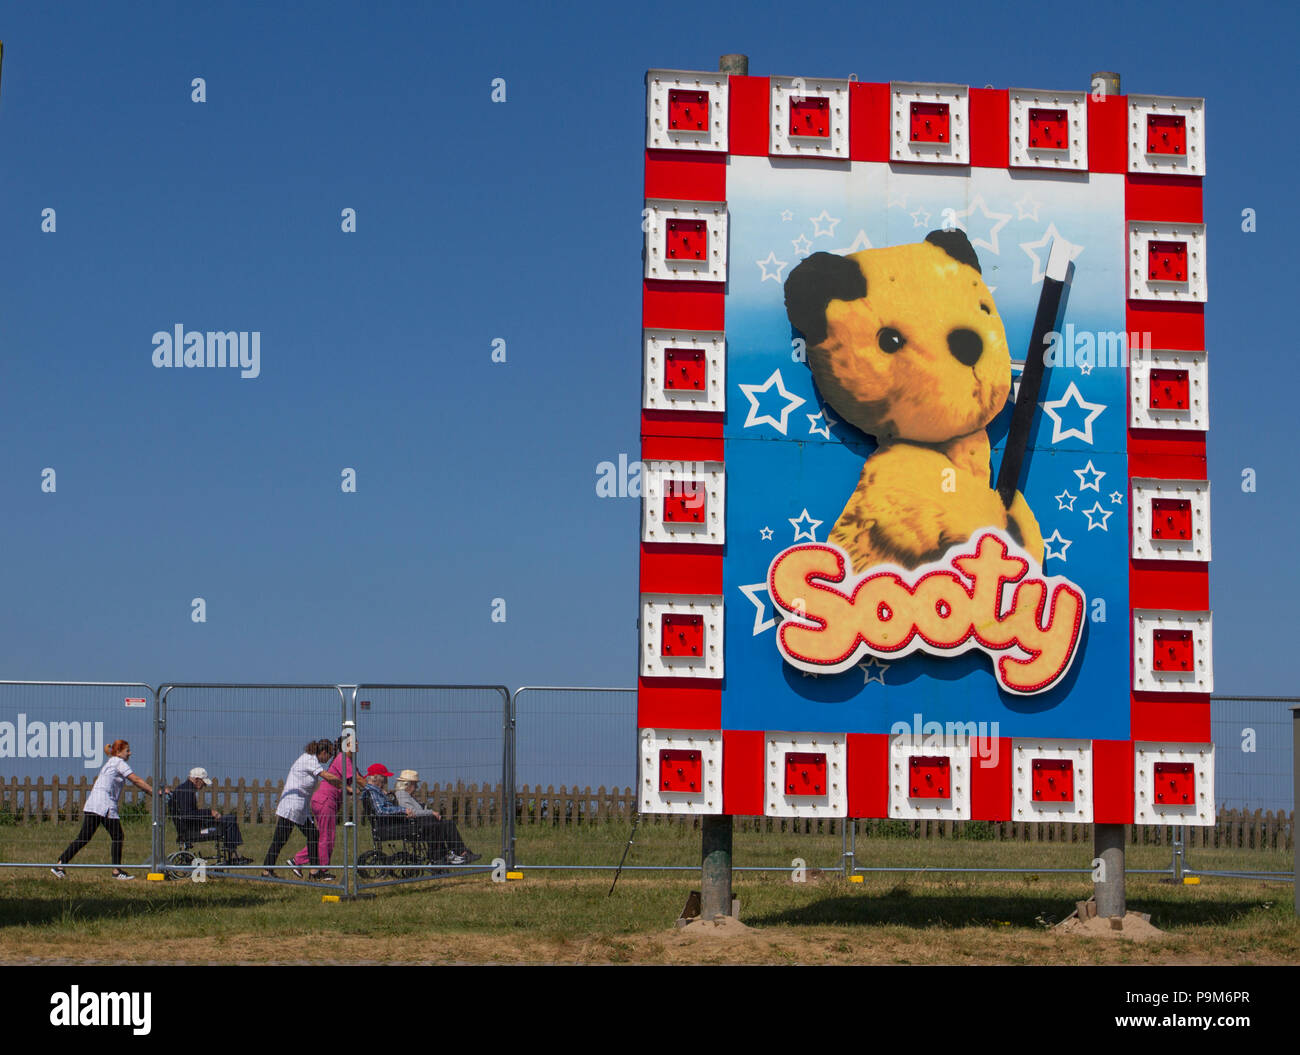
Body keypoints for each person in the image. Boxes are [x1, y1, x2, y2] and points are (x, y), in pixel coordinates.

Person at [52, 739, 154, 880]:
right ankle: (116, 871)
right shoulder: (119, 763)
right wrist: (153, 791)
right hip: (104, 805)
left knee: (84, 837)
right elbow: (135, 780)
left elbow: (111, 755)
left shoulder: (112, 761)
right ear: (119, 752)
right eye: (127, 750)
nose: (130, 753)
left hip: (94, 803)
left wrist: (109, 751)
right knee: (117, 836)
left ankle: (60, 864)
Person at [262, 739, 343, 880]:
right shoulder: (309, 760)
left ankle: (314, 872)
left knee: (313, 836)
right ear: (323, 752)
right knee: (280, 840)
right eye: (329, 754)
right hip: (292, 807)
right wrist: (346, 786)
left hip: (301, 809)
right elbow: (327, 776)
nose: (329, 757)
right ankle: (266, 871)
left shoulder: (312, 760)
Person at [290, 738, 354, 879]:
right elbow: (356, 778)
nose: (357, 746)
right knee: (327, 837)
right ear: (346, 746)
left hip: (324, 801)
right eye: (354, 743)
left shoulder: (345, 760)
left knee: (323, 837)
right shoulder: (342, 759)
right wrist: (368, 787)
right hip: (326, 801)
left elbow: (358, 776)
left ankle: (298, 860)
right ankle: (321, 870)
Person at [393, 768, 480, 866]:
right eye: (414, 784)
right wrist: (431, 812)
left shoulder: (408, 796)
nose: (416, 787)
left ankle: (459, 853)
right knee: (445, 825)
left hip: (420, 822)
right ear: (407, 784)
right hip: (415, 825)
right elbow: (411, 812)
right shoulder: (402, 795)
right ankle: (454, 854)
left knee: (448, 824)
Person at [169, 767, 251, 864]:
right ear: (197, 780)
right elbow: (188, 815)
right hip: (193, 830)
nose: (204, 786)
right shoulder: (186, 792)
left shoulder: (183, 789)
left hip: (190, 827)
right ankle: (234, 854)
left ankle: (234, 852)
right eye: (203, 783)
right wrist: (210, 813)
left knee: (229, 819)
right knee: (229, 820)